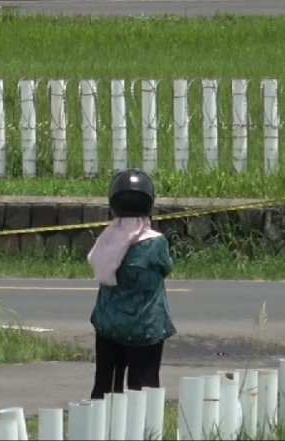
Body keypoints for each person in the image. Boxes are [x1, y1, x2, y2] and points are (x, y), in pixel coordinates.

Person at [88, 169, 175, 398]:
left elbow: (96, 265)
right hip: (147, 327)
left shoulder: (107, 239)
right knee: (144, 388)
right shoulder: (156, 244)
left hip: (109, 325)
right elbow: (166, 267)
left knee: (106, 386)